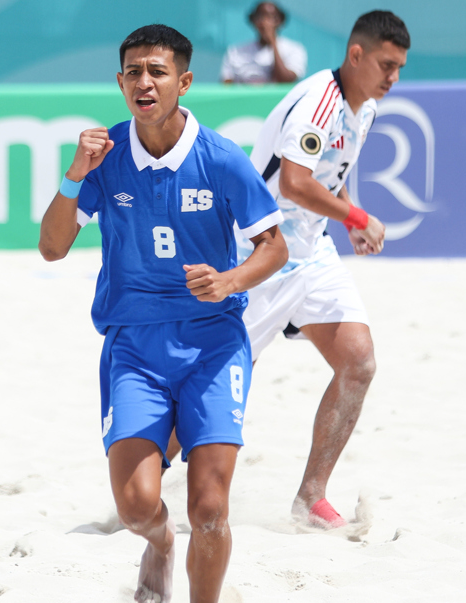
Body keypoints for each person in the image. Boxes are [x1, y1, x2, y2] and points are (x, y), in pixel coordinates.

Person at [39, 24, 287, 603]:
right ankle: (158, 545)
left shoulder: (222, 158)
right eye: (131, 73)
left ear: (184, 81)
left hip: (212, 344)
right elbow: (53, 246)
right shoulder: (105, 156)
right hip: (135, 346)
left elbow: (274, 248)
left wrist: (228, 280)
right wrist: (73, 175)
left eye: (155, 71)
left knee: (209, 507)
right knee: (136, 506)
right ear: (119, 82)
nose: (143, 83)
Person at [169, 10, 410, 530]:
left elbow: (330, 173)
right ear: (356, 55)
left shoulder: (363, 107)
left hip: (312, 252)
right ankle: (138, 479)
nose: (393, 78)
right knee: (211, 380)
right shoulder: (319, 101)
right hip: (262, 252)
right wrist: (359, 216)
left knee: (359, 363)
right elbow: (297, 183)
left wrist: (344, 218)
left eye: (400, 68)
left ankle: (311, 497)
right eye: (386, 65)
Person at [220, 2, 307, 84]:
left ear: (280, 21)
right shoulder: (235, 52)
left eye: (271, 17)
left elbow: (286, 81)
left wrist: (273, 42)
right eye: (260, 17)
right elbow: (226, 86)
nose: (265, 22)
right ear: (253, 21)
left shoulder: (294, 49)